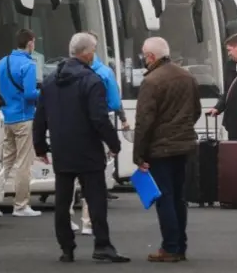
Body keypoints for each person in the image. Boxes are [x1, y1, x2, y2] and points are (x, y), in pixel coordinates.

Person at [33, 32, 128, 263]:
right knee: (95, 199)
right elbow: (99, 118)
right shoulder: (91, 80)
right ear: (87, 53)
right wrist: (114, 144)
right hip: (87, 149)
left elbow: (40, 117)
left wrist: (40, 147)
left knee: (63, 201)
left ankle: (66, 247)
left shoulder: (50, 81)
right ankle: (102, 245)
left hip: (62, 149)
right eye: (93, 50)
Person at [133, 37, 201, 262]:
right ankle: (180, 245)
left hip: (160, 149)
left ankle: (170, 247)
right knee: (179, 197)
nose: (144, 58)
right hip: (185, 146)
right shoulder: (187, 76)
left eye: (144, 54)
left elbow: (144, 122)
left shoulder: (151, 82)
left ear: (151, 57)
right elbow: (196, 110)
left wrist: (138, 155)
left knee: (165, 198)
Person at [0, 29, 41, 218]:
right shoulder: (29, 65)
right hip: (23, 118)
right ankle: (21, 205)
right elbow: (30, 94)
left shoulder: (2, 62)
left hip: (5, 117)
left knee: (6, 161)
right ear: (30, 43)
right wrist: (45, 93)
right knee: (24, 163)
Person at [69, 53, 128, 235]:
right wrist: (115, 141)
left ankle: (66, 216)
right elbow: (115, 102)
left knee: (69, 176)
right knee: (94, 176)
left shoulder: (64, 73)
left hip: (72, 126)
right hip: (97, 126)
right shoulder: (104, 72)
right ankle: (88, 222)